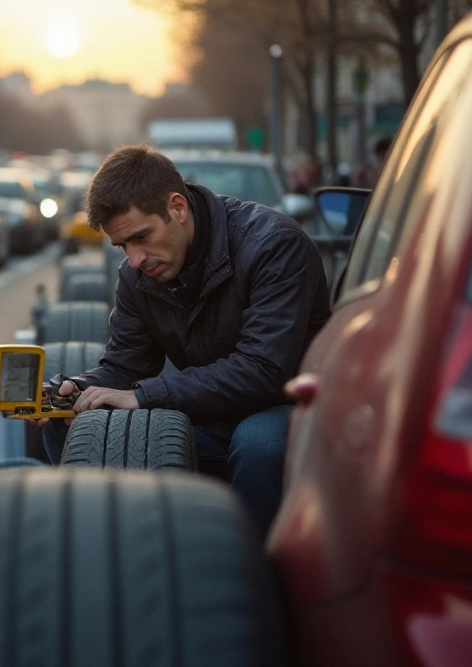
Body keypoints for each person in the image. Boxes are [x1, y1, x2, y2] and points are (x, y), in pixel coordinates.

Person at [42, 145, 331, 534]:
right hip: (207, 416)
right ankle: (116, 553)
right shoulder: (136, 276)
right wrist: (78, 390)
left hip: (286, 407)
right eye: (122, 246)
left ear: (177, 208)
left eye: (142, 237)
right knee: (74, 423)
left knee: (257, 443)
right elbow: (125, 365)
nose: (135, 259)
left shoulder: (274, 245)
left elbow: (264, 370)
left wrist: (144, 396)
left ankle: (258, 577)